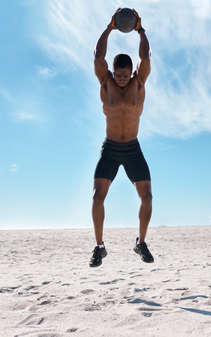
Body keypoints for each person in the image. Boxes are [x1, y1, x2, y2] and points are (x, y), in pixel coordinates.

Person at [90, 9, 154, 267]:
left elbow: (145, 56)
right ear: (113, 72)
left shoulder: (139, 83)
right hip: (111, 147)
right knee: (97, 196)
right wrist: (109, 28)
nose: (122, 79)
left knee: (147, 196)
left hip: (132, 148)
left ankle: (141, 243)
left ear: (132, 73)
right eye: (119, 75)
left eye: (126, 75)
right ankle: (99, 246)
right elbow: (98, 56)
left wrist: (140, 31)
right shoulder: (106, 82)